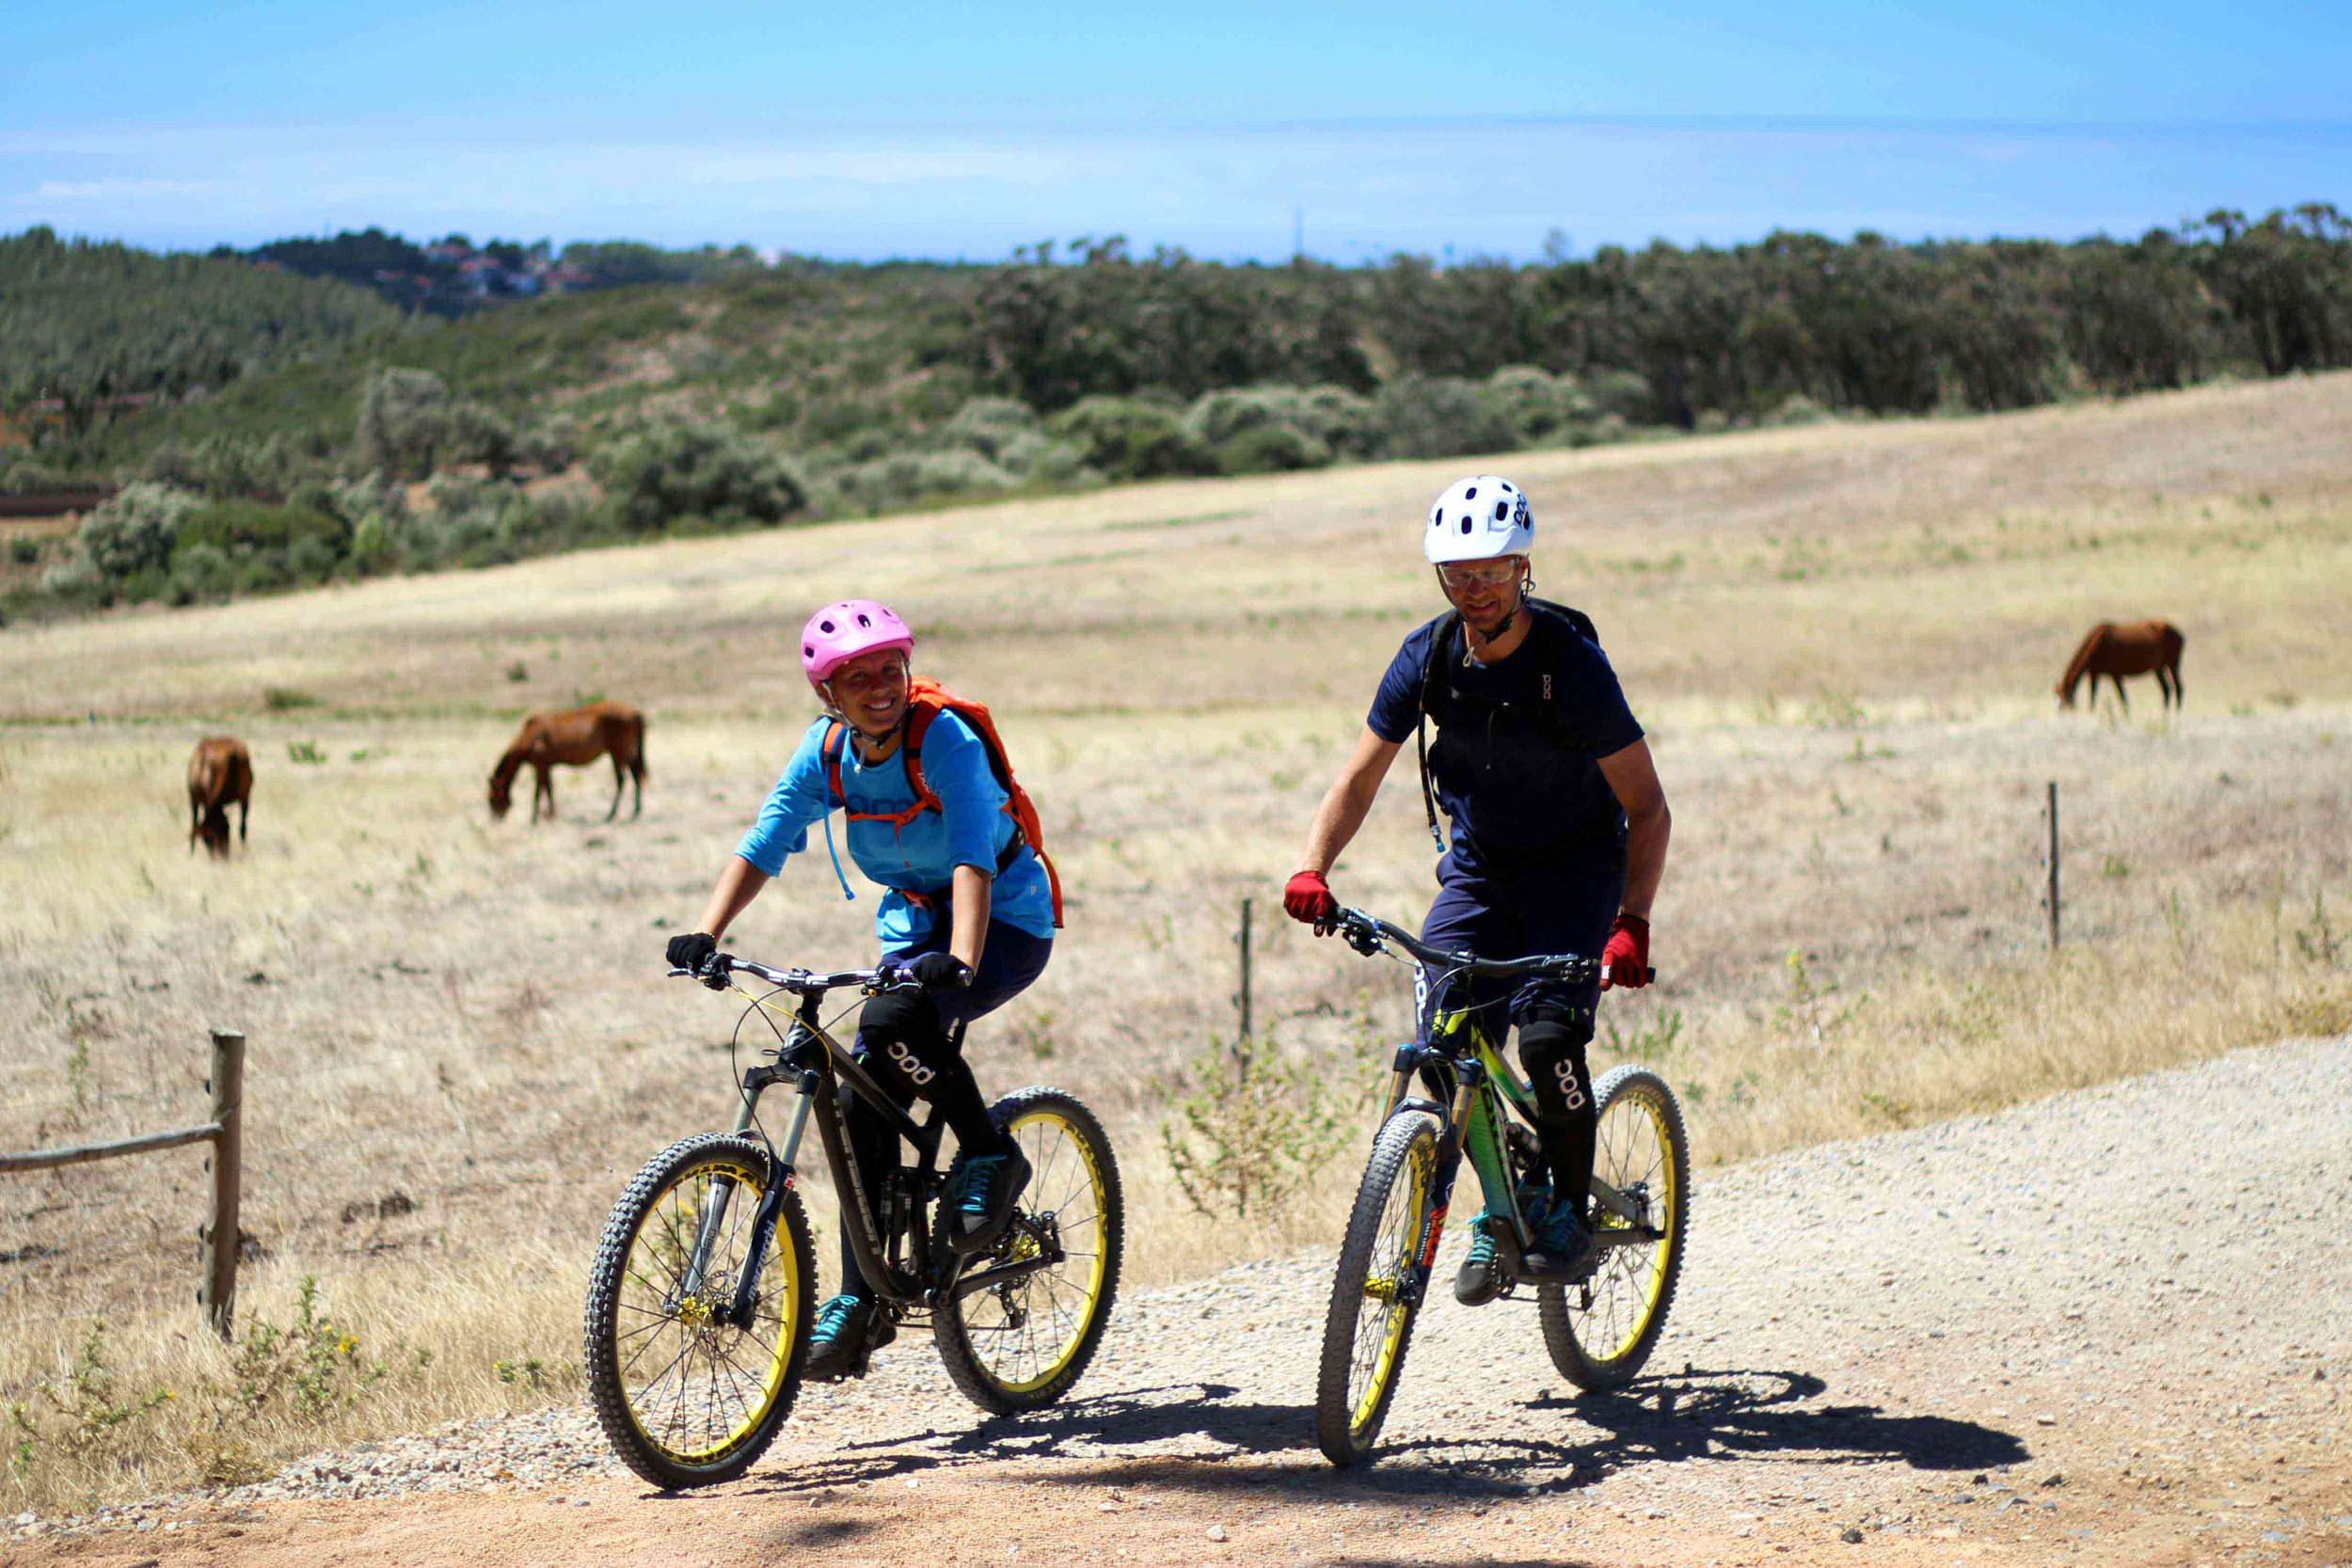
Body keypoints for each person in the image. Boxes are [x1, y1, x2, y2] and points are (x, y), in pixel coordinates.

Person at [1282, 475, 1671, 1305]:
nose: (1475, 586)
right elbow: (1357, 778)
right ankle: (1500, 1205)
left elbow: (1647, 803)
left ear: (1524, 566)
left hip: (1577, 871)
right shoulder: (1426, 657)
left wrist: (1632, 919)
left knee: (1546, 1043)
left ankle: (1566, 1203)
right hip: (1480, 873)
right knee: (1442, 1037)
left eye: (1492, 569)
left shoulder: (1571, 665)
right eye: (1458, 572)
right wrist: (1314, 866)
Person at [664, 599, 1055, 1379]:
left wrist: (964, 959)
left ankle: (990, 1152)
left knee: (897, 1020)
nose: (880, 687)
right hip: (914, 923)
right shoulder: (828, 753)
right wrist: (707, 931)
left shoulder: (940, 737)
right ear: (828, 695)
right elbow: (766, 840)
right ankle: (861, 1302)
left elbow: (975, 854)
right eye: (857, 678)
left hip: (1003, 921)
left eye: (890, 669)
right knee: (855, 1102)